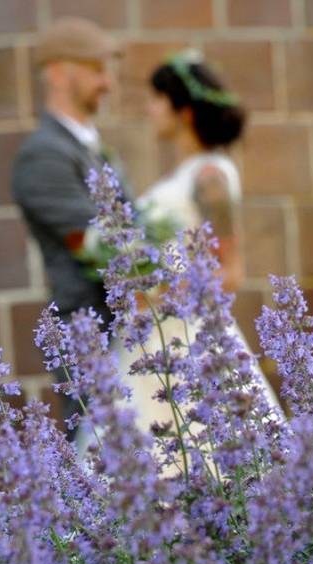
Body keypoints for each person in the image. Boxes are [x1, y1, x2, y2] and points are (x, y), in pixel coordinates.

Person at [77, 49, 281, 454]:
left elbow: (231, 271)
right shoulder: (186, 174)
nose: (150, 110)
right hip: (150, 335)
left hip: (188, 337)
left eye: (157, 100)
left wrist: (160, 294)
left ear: (184, 111)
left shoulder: (210, 178)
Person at [11, 17, 129, 441]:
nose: (108, 83)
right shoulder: (42, 156)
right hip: (90, 333)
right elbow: (94, 244)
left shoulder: (93, 148)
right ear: (59, 72)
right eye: (97, 69)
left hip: (128, 331)